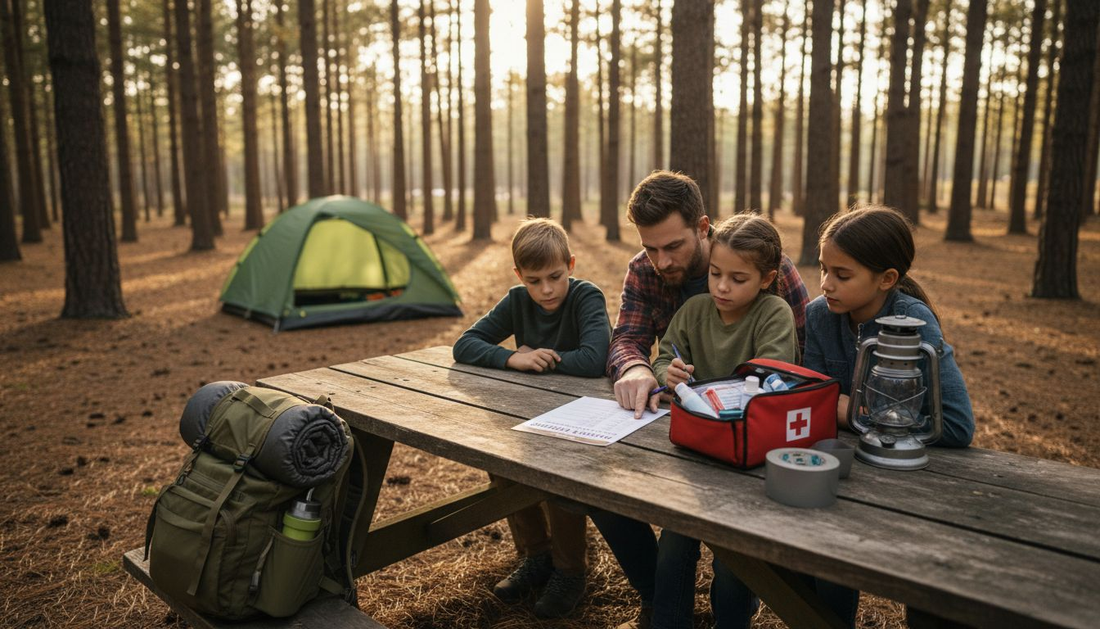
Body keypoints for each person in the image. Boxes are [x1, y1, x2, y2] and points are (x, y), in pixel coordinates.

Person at [594, 171, 810, 629]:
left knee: (728, 545)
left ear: (703, 227)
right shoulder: (646, 271)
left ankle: (731, 611)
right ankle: (662, 603)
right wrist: (638, 368)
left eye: (673, 246)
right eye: (650, 247)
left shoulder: (767, 268)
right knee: (595, 483)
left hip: (749, 437)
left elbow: (798, 360)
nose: (660, 260)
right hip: (677, 429)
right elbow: (628, 340)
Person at [452, 217, 611, 618]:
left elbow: (595, 359)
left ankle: (570, 571)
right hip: (528, 414)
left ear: (571, 265)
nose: (546, 290)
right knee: (504, 467)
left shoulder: (585, 297)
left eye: (555, 276)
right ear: (519, 274)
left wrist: (539, 359)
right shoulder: (517, 300)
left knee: (561, 481)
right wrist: (512, 357)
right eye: (534, 280)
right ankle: (537, 555)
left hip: (584, 422)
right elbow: (465, 344)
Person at [646, 213, 799, 629]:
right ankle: (669, 620)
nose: (722, 287)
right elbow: (663, 358)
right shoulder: (696, 310)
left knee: (734, 558)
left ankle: (732, 621)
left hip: (750, 455)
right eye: (715, 274)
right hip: (695, 447)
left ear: (766, 278)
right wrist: (668, 374)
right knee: (675, 540)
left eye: (737, 278)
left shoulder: (773, 313)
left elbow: (773, 376)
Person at [804, 205, 975, 447]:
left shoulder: (916, 322)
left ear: (887, 279)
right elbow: (811, 398)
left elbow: (957, 426)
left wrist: (859, 416)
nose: (825, 284)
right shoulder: (818, 315)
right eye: (823, 269)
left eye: (842, 275)